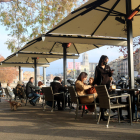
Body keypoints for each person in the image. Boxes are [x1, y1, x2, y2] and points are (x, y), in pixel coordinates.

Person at [93, 55, 113, 120]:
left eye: (107, 61)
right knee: (102, 99)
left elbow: (109, 75)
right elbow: (96, 77)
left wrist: (111, 73)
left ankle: (104, 113)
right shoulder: (98, 67)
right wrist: (94, 84)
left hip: (107, 84)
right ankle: (102, 115)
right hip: (101, 85)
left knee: (106, 98)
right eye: (105, 60)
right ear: (102, 60)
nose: (106, 62)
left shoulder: (107, 67)